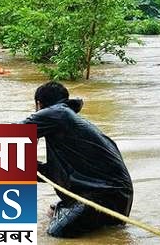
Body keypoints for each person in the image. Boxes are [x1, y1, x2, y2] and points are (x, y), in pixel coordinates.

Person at [19, 81, 133, 238]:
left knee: (56, 232)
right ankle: (64, 208)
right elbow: (55, 174)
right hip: (118, 199)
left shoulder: (57, 113)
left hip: (103, 198)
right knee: (54, 217)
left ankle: (65, 209)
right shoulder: (67, 121)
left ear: (39, 104)